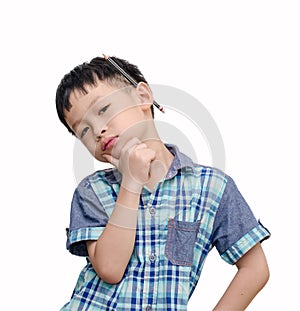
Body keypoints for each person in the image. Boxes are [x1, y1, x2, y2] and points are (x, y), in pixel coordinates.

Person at [55, 55, 270, 311]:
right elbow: (110, 269)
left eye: (103, 109)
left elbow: (255, 268)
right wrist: (131, 183)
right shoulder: (92, 191)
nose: (98, 130)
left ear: (143, 96)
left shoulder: (213, 187)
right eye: (84, 130)